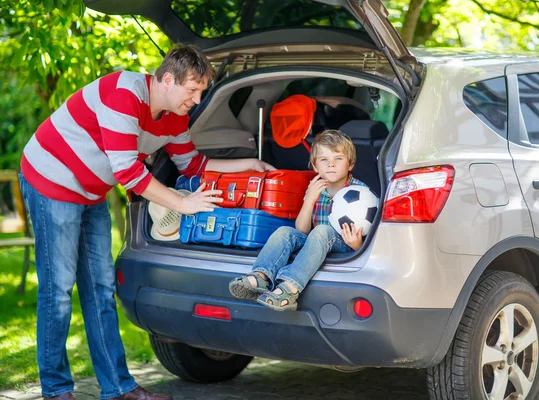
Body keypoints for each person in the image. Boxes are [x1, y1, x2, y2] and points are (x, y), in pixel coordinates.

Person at [18, 44, 273, 400]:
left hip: (91, 191)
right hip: (51, 181)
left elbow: (193, 166)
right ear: (168, 79)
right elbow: (129, 173)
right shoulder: (124, 95)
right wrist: (182, 204)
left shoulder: (175, 116)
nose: (198, 100)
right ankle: (57, 391)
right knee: (58, 292)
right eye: (193, 90)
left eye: (202, 91)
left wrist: (249, 166)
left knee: (100, 290)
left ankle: (119, 389)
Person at [228, 129, 366, 311]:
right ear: (315, 166)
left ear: (350, 164)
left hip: (343, 244)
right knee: (284, 232)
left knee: (322, 230)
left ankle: (289, 289)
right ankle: (261, 276)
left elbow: (368, 240)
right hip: (315, 242)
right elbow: (302, 230)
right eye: (324, 160)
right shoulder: (316, 188)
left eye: (338, 159)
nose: (331, 165)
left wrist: (357, 245)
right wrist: (309, 200)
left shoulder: (361, 193)